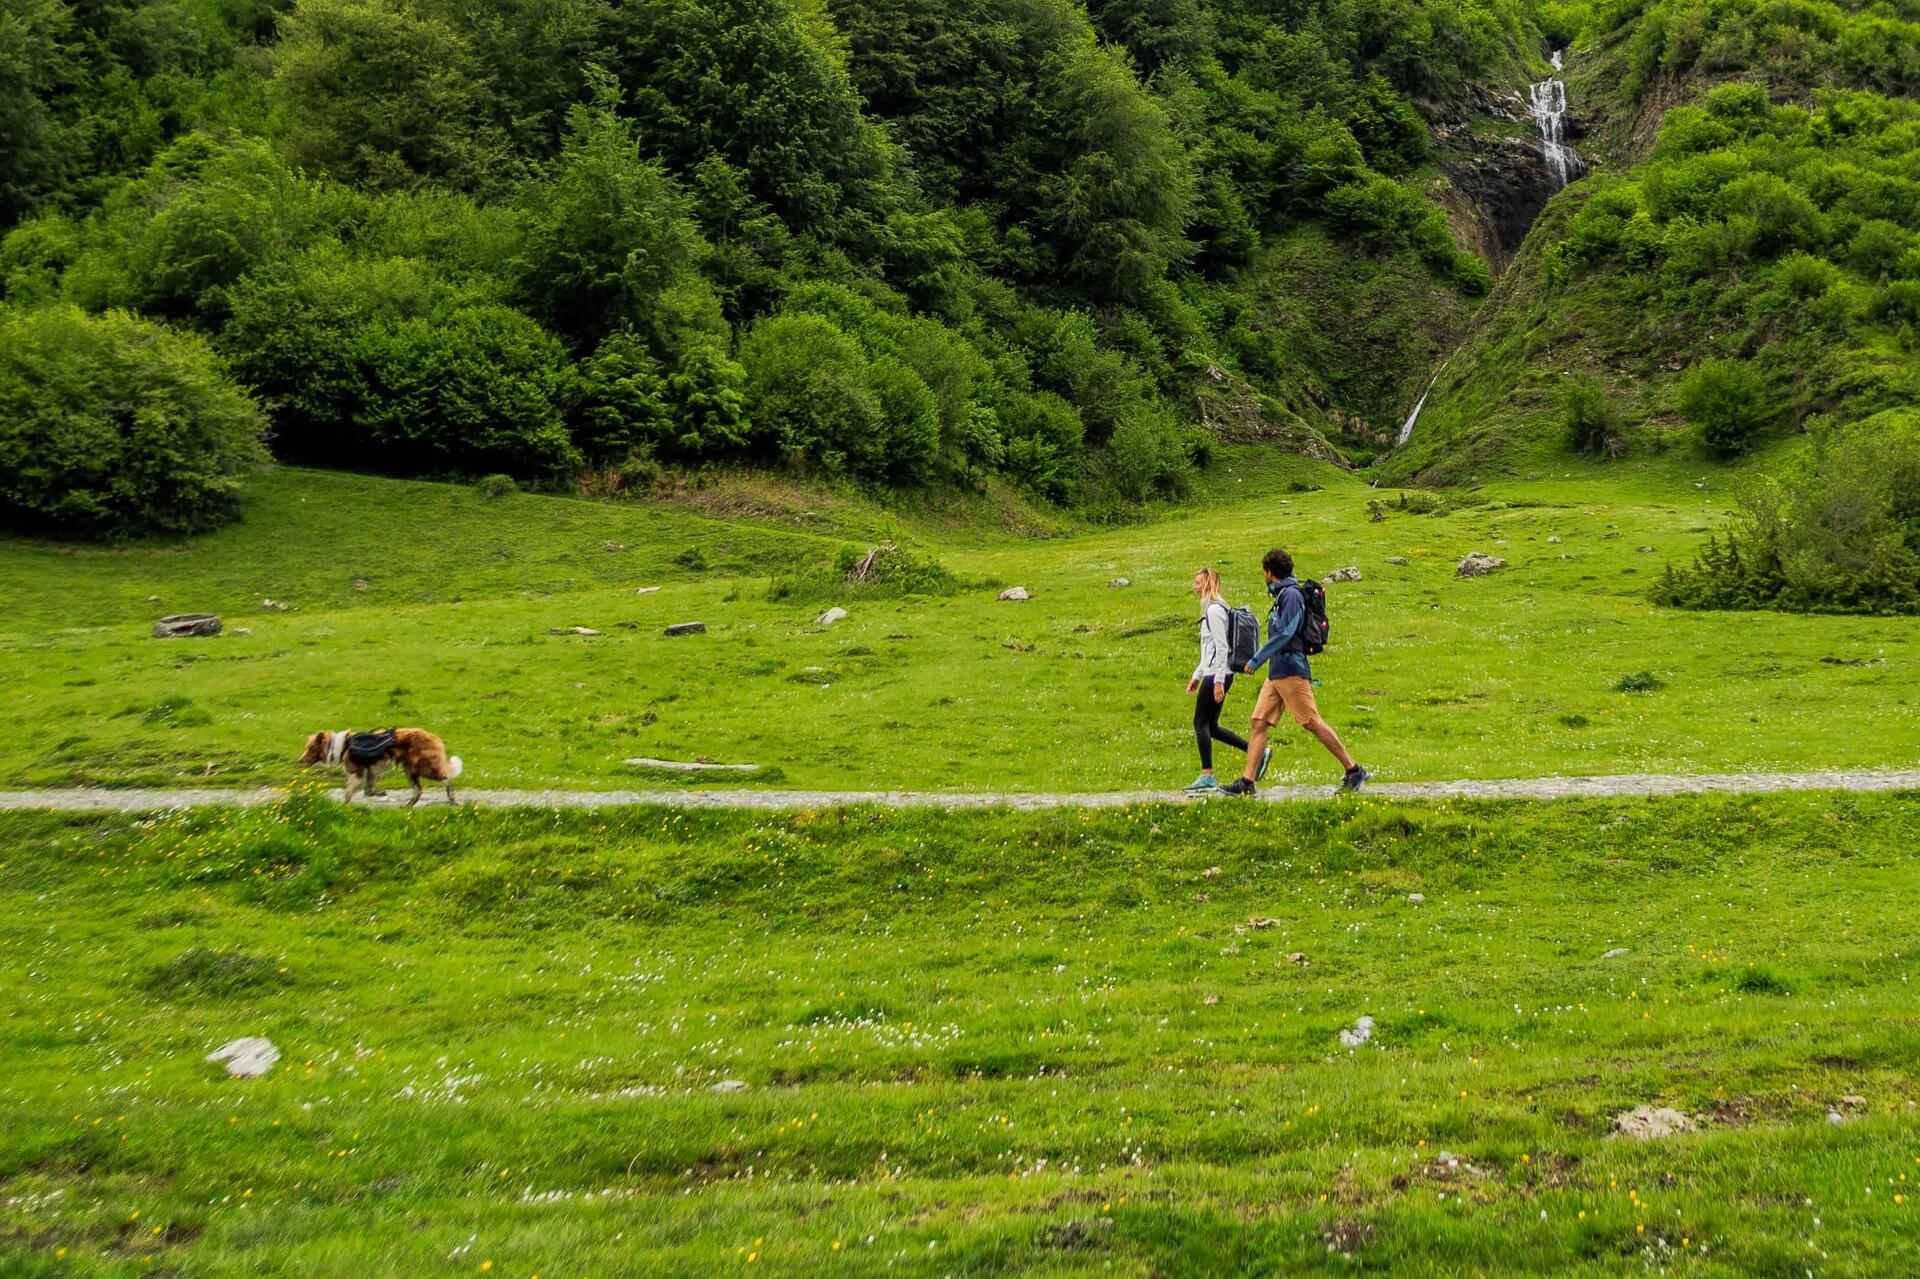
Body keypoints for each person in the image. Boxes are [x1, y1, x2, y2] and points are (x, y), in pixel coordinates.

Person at [1220, 548, 1370, 797]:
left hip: (1291, 670)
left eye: (1264, 572)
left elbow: (1287, 632)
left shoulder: (1291, 595)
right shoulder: (1281, 595)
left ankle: (1354, 770)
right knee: (1258, 722)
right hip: (1277, 672)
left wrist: (1258, 658)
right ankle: (1247, 783)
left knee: (1311, 721)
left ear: (1270, 572)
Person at [1184, 568, 1250, 792]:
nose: (1194, 587)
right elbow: (1208, 649)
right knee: (1211, 726)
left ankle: (1207, 775)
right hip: (1213, 672)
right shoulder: (1215, 609)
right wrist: (1196, 676)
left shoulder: (1214, 610)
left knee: (1200, 723)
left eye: (1197, 582)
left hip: (1217, 674)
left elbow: (1222, 647)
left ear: (1207, 584)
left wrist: (1219, 680)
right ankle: (1255, 751)